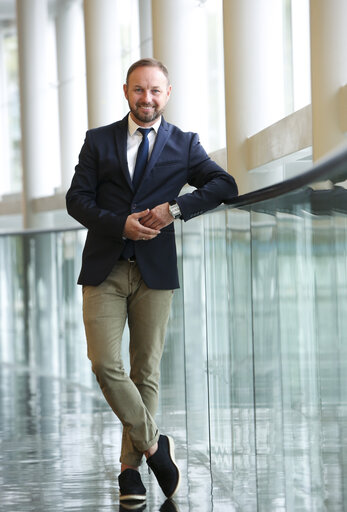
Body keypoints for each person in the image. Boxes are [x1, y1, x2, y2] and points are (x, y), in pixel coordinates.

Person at [66, 58, 238, 505]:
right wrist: (117, 224)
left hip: (155, 270)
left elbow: (224, 184)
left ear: (168, 93)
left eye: (155, 91)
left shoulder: (184, 144)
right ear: (126, 91)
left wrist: (174, 209)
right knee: (105, 363)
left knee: (146, 371)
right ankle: (155, 446)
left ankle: (130, 472)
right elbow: (76, 199)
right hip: (105, 265)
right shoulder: (98, 140)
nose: (147, 99)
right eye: (139, 90)